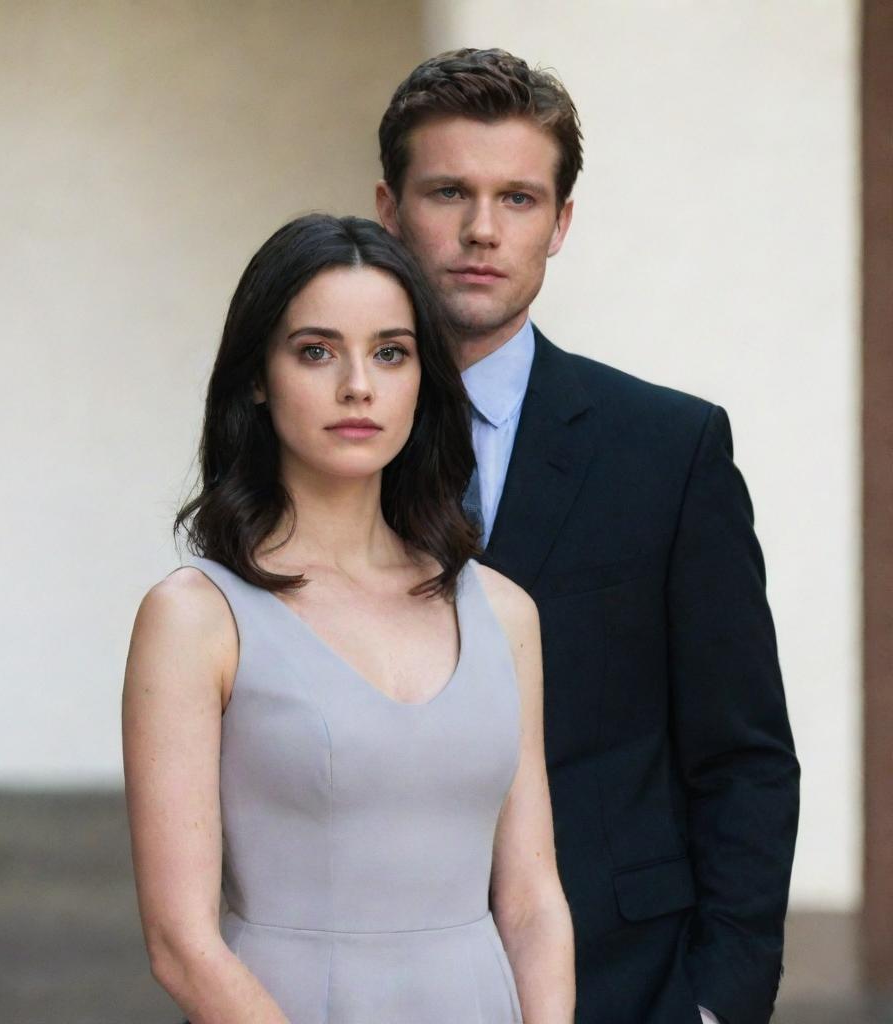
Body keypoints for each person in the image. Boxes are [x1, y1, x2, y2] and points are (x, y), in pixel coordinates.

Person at [375, 49, 799, 1024]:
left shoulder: (668, 448)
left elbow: (742, 756)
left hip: (625, 981)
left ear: (560, 222)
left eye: (518, 198)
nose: (482, 230)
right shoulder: (312, 447)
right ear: (389, 209)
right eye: (448, 191)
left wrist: (716, 1005)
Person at [122, 213, 575, 1023]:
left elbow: (535, 901)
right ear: (258, 375)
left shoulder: (505, 613)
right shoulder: (196, 620)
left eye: (391, 353)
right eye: (317, 350)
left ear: (422, 380)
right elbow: (180, 942)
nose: (358, 385)